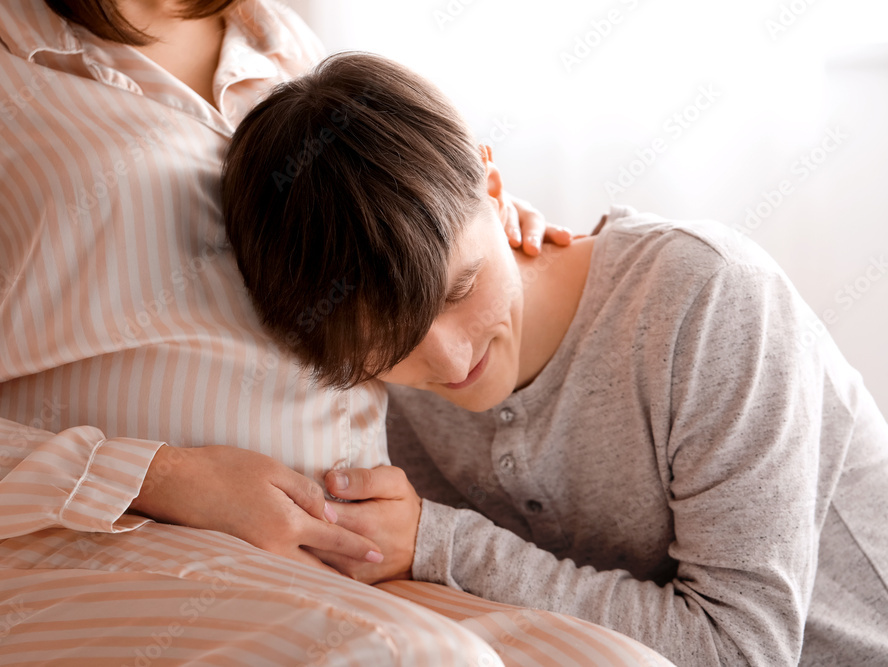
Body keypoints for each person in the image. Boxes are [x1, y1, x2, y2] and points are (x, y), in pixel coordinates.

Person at [0, 1, 679, 665]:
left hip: (330, 559)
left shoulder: (281, 44)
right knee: (415, 662)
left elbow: (385, 254)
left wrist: (475, 229)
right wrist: (158, 476)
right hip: (45, 548)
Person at [222, 51, 888, 666]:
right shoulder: (367, 389)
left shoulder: (709, 298)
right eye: (393, 344)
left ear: (494, 188)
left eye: (461, 289)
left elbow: (742, 651)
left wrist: (441, 543)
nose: (451, 361)